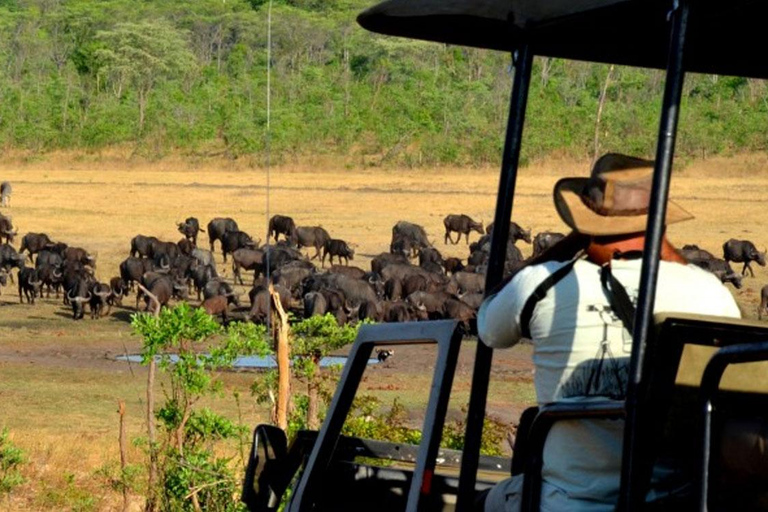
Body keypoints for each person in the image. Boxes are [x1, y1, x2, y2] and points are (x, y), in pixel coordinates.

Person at [477, 154, 741, 511]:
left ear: (585, 221)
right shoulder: (710, 292)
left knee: (481, 501)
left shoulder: (543, 283)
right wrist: (662, 246)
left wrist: (571, 243)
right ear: (659, 224)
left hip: (564, 503)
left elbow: (490, 329)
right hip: (672, 501)